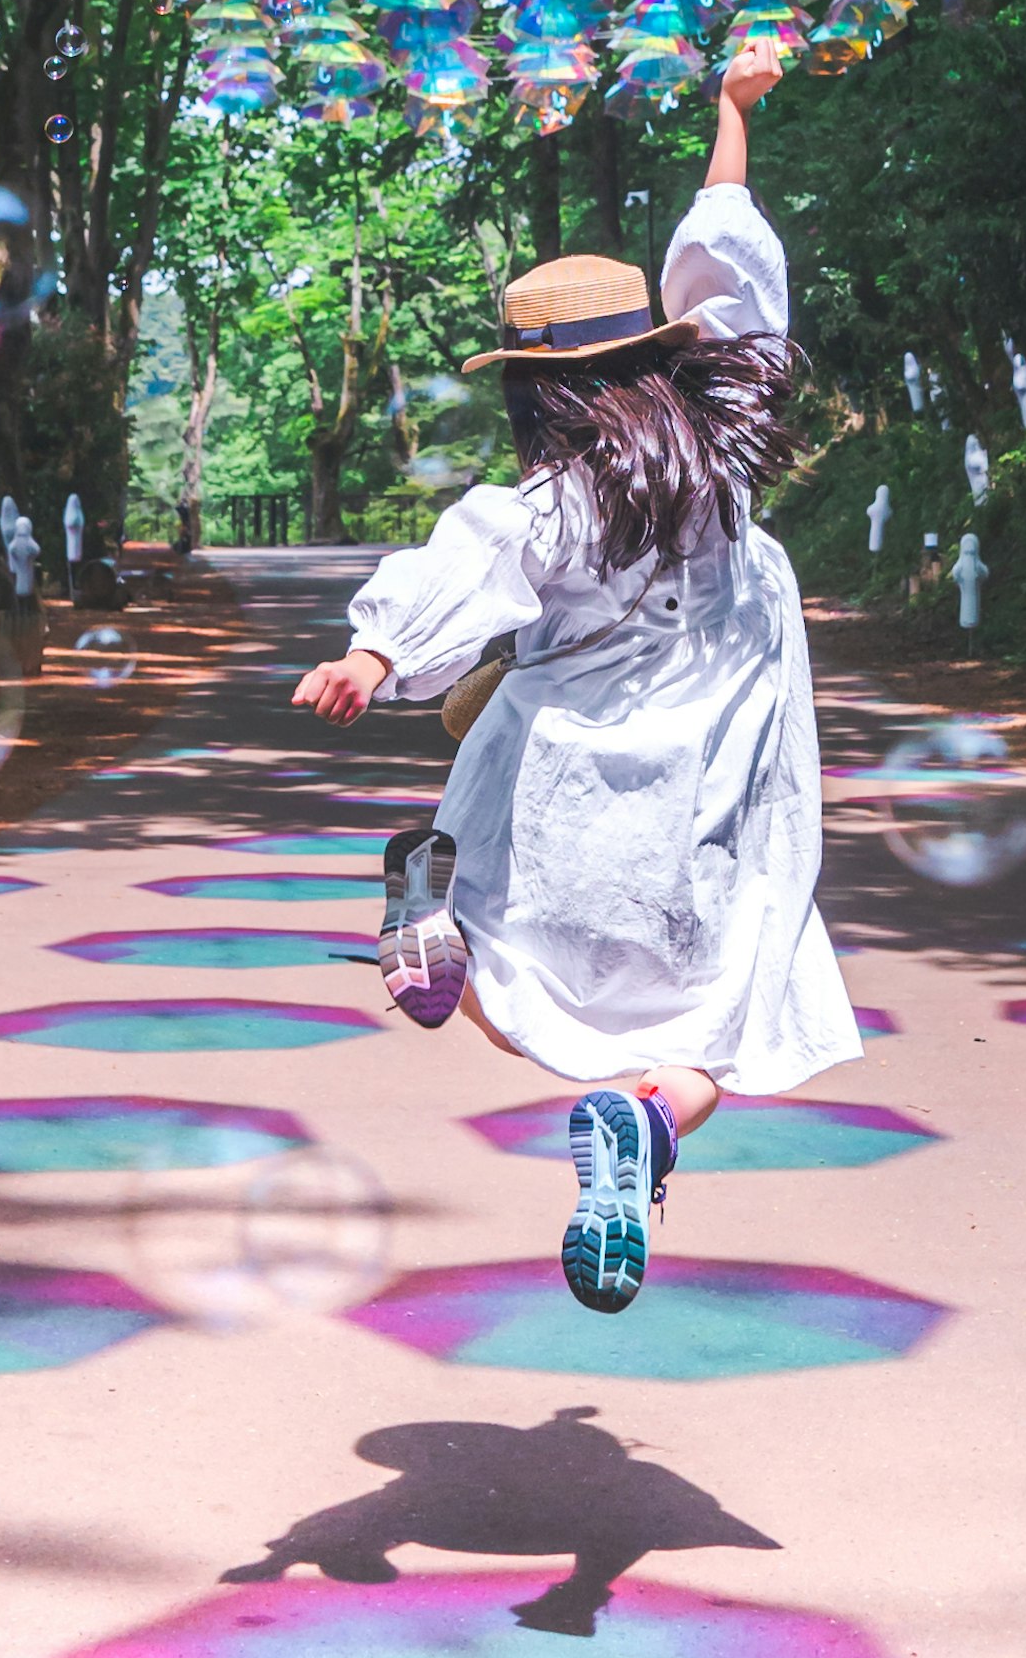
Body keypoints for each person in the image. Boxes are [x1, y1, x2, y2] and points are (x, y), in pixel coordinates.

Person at [293, 64, 854, 1315]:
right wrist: (736, 112)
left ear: (533, 389)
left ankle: (433, 904)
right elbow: (730, 270)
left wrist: (375, 653)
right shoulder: (726, 452)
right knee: (733, 1001)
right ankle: (641, 1129)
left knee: (512, 973)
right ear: (663, 356)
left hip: (563, 771)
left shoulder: (549, 499)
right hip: (710, 771)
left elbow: (471, 556)